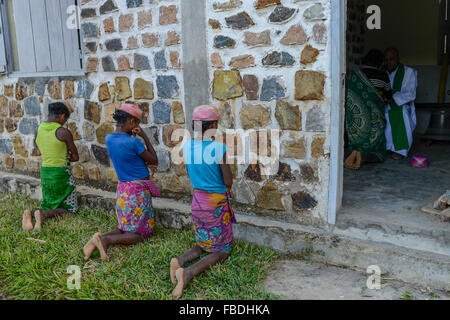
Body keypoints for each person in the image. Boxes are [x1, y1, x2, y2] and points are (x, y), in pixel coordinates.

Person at [170, 105, 235, 299]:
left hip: (197, 201)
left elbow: (192, 173)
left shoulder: (188, 146)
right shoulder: (218, 148)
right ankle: (188, 272)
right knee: (222, 250)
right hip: (214, 205)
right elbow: (228, 181)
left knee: (203, 242)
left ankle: (180, 260)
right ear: (214, 125)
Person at [83, 104, 159, 262]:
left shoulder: (109, 139)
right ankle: (106, 240)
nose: (138, 127)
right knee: (139, 234)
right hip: (137, 192)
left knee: (124, 227)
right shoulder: (134, 143)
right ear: (131, 122)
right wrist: (144, 136)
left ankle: (97, 239)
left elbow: (129, 159)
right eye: (137, 123)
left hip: (124, 189)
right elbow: (154, 159)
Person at [22, 102, 79, 231]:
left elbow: (42, 150)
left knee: (49, 204)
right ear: (62, 116)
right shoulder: (63, 132)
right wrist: (68, 155)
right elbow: (75, 157)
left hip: (46, 173)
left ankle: (30, 213)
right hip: (60, 174)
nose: (65, 122)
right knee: (71, 210)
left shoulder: (39, 129)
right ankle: (42, 214)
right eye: (66, 118)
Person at [345, 49, 390, 170]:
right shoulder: (383, 75)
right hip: (375, 115)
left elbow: (349, 94)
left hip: (357, 117)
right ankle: (364, 156)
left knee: (357, 134)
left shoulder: (355, 74)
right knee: (377, 140)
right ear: (380, 63)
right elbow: (387, 94)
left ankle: (354, 152)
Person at [383, 47, 418, 159]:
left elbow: (410, 94)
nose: (388, 62)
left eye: (391, 59)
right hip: (384, 104)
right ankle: (385, 147)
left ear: (398, 59)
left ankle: (400, 150)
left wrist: (392, 99)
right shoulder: (381, 72)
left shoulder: (408, 72)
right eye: (386, 59)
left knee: (400, 113)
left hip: (402, 104)